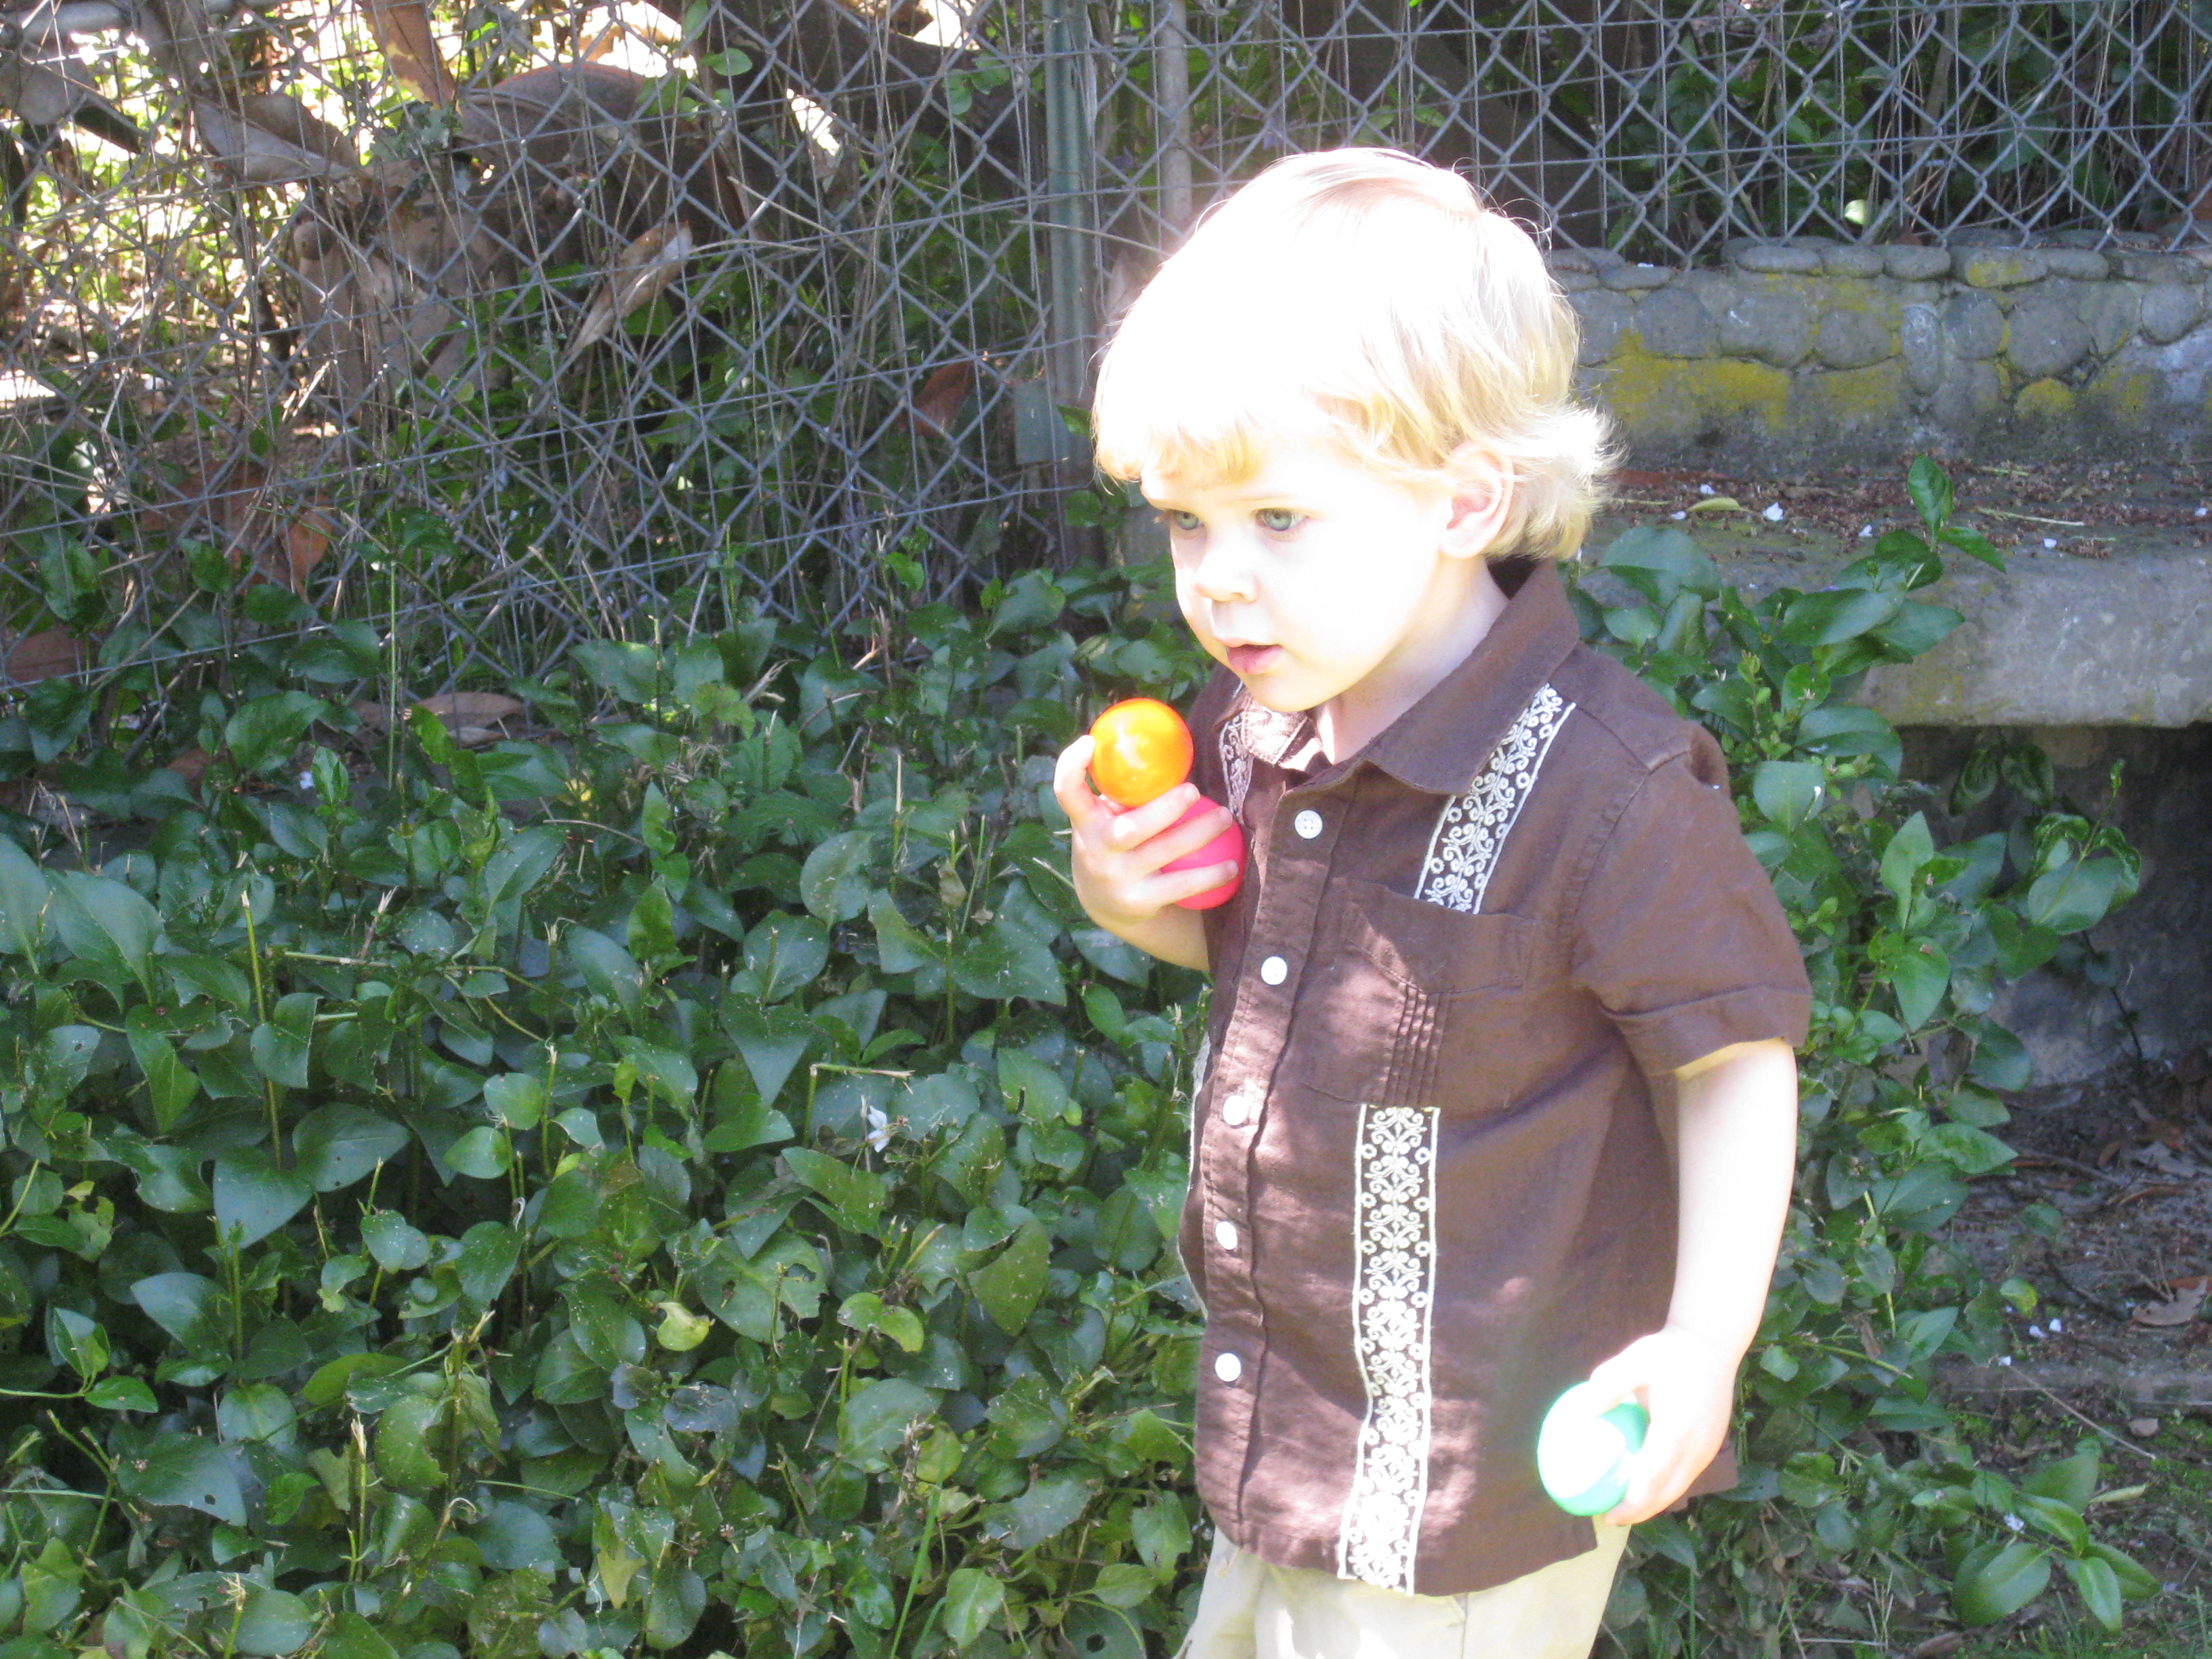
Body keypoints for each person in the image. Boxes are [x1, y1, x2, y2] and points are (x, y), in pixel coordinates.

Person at [1050, 149, 1813, 1659]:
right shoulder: (1262, 722)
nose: (1218, 581)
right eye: (1187, 522)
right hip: (1288, 1433)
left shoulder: (1609, 791)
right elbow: (1248, 948)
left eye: (1278, 518)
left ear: (1462, 498)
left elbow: (1733, 1060)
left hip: (1469, 1489)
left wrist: (1703, 1342)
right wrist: (1115, 880)